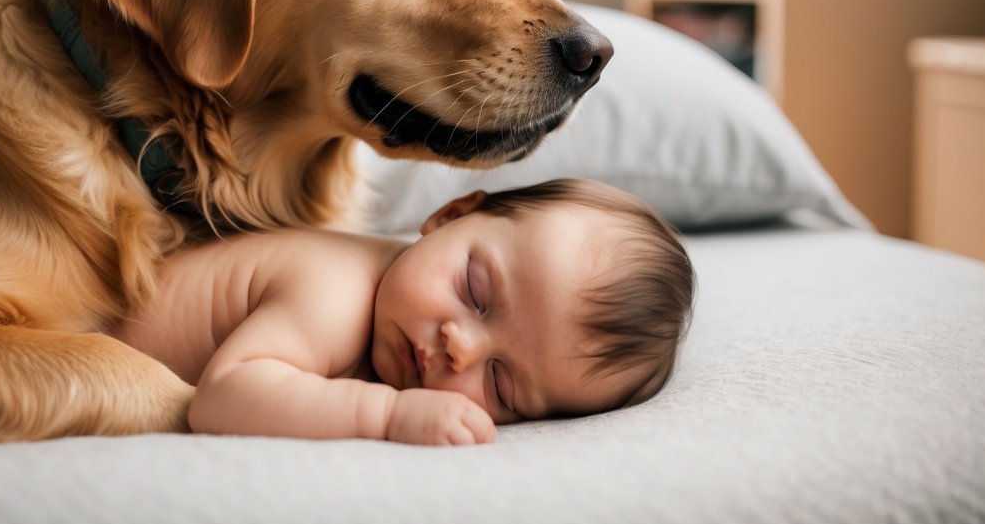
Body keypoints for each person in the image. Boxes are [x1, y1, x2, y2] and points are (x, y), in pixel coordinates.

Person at [113, 178, 695, 445]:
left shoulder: (393, 307)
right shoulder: (335, 291)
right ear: (449, 215)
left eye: (500, 382)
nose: (460, 347)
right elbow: (224, 396)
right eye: (475, 290)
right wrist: (384, 416)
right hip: (59, 332)